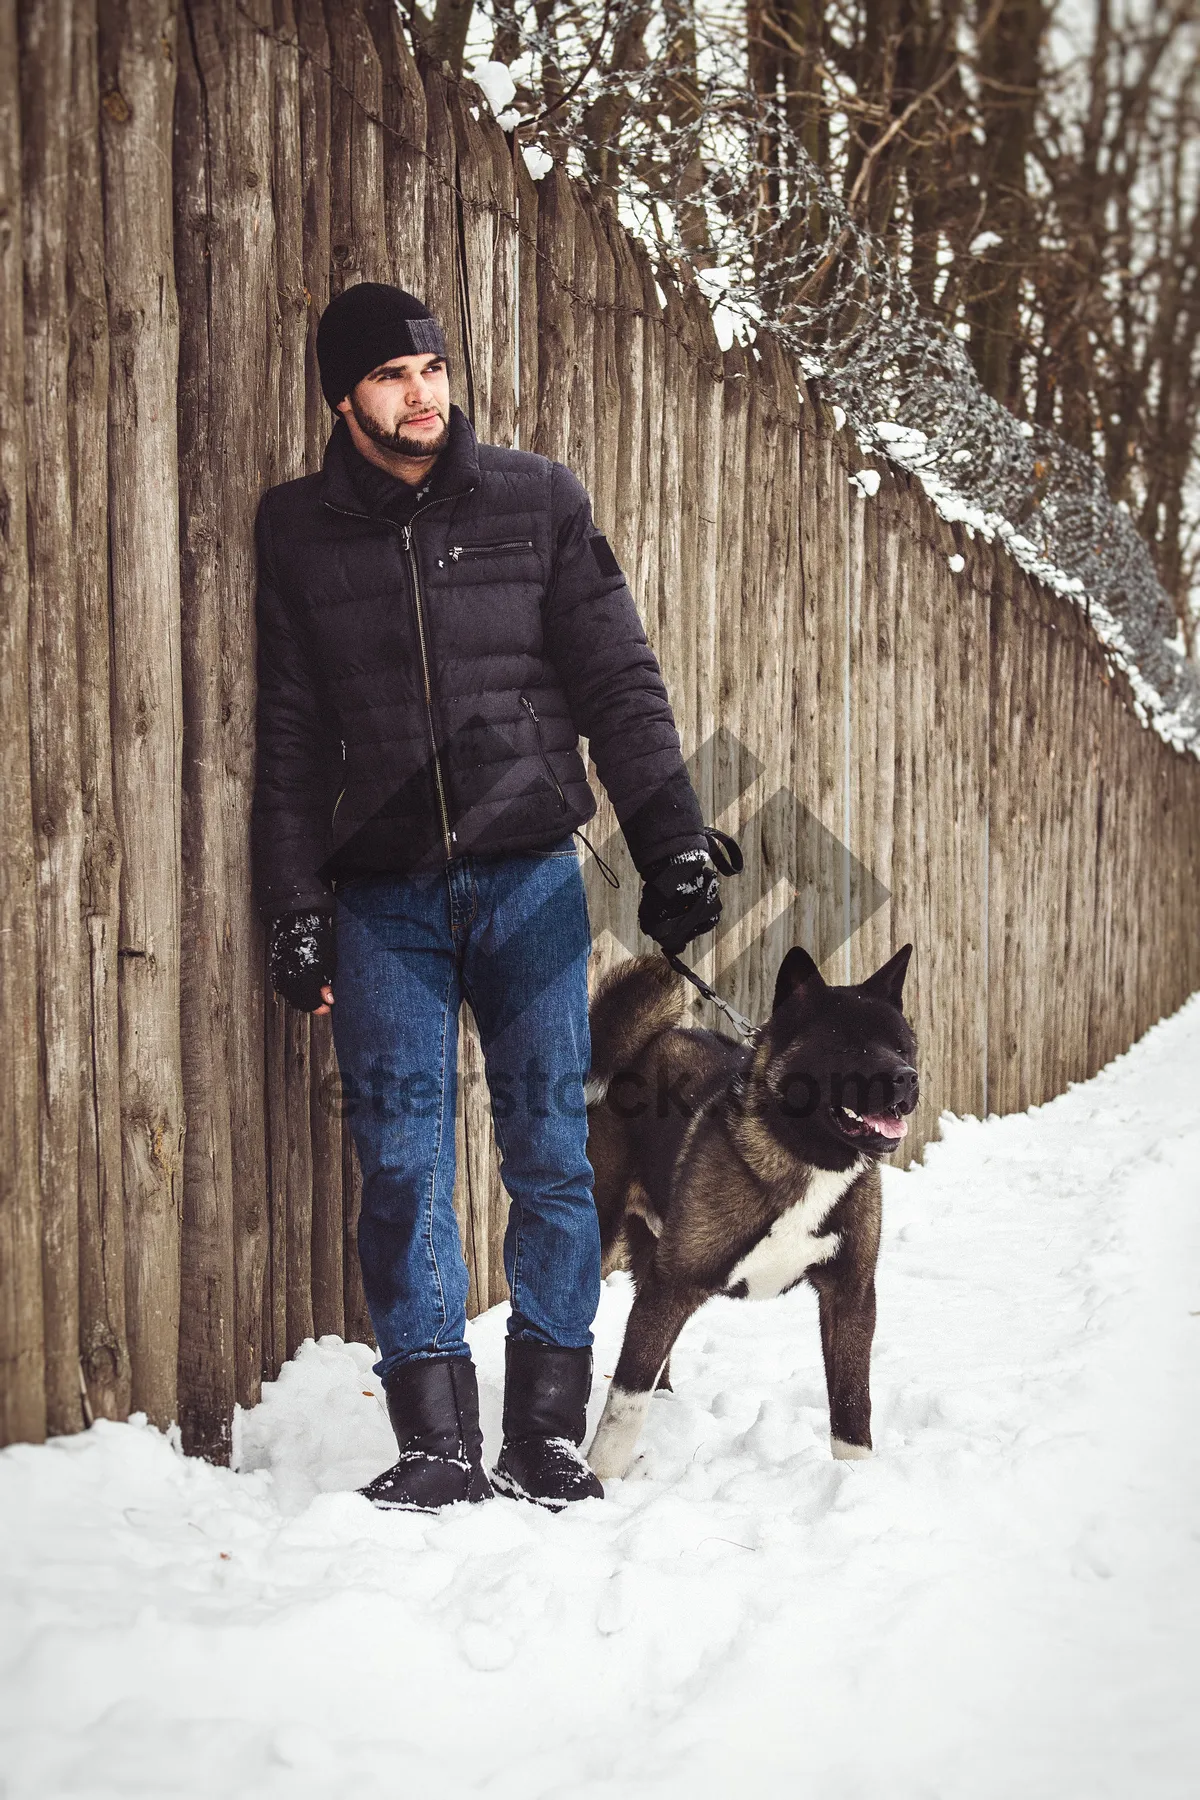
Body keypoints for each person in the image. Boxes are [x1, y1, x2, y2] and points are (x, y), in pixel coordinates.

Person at [252, 282, 737, 1512]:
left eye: (431, 367)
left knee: (552, 1157)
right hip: (383, 899)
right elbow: (293, 735)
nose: (421, 393)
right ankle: (435, 1439)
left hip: (527, 875)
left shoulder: (538, 501)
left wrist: (672, 843)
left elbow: (619, 679)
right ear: (344, 398)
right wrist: (294, 902)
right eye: (390, 377)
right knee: (401, 1159)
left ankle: (544, 1435)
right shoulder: (298, 530)